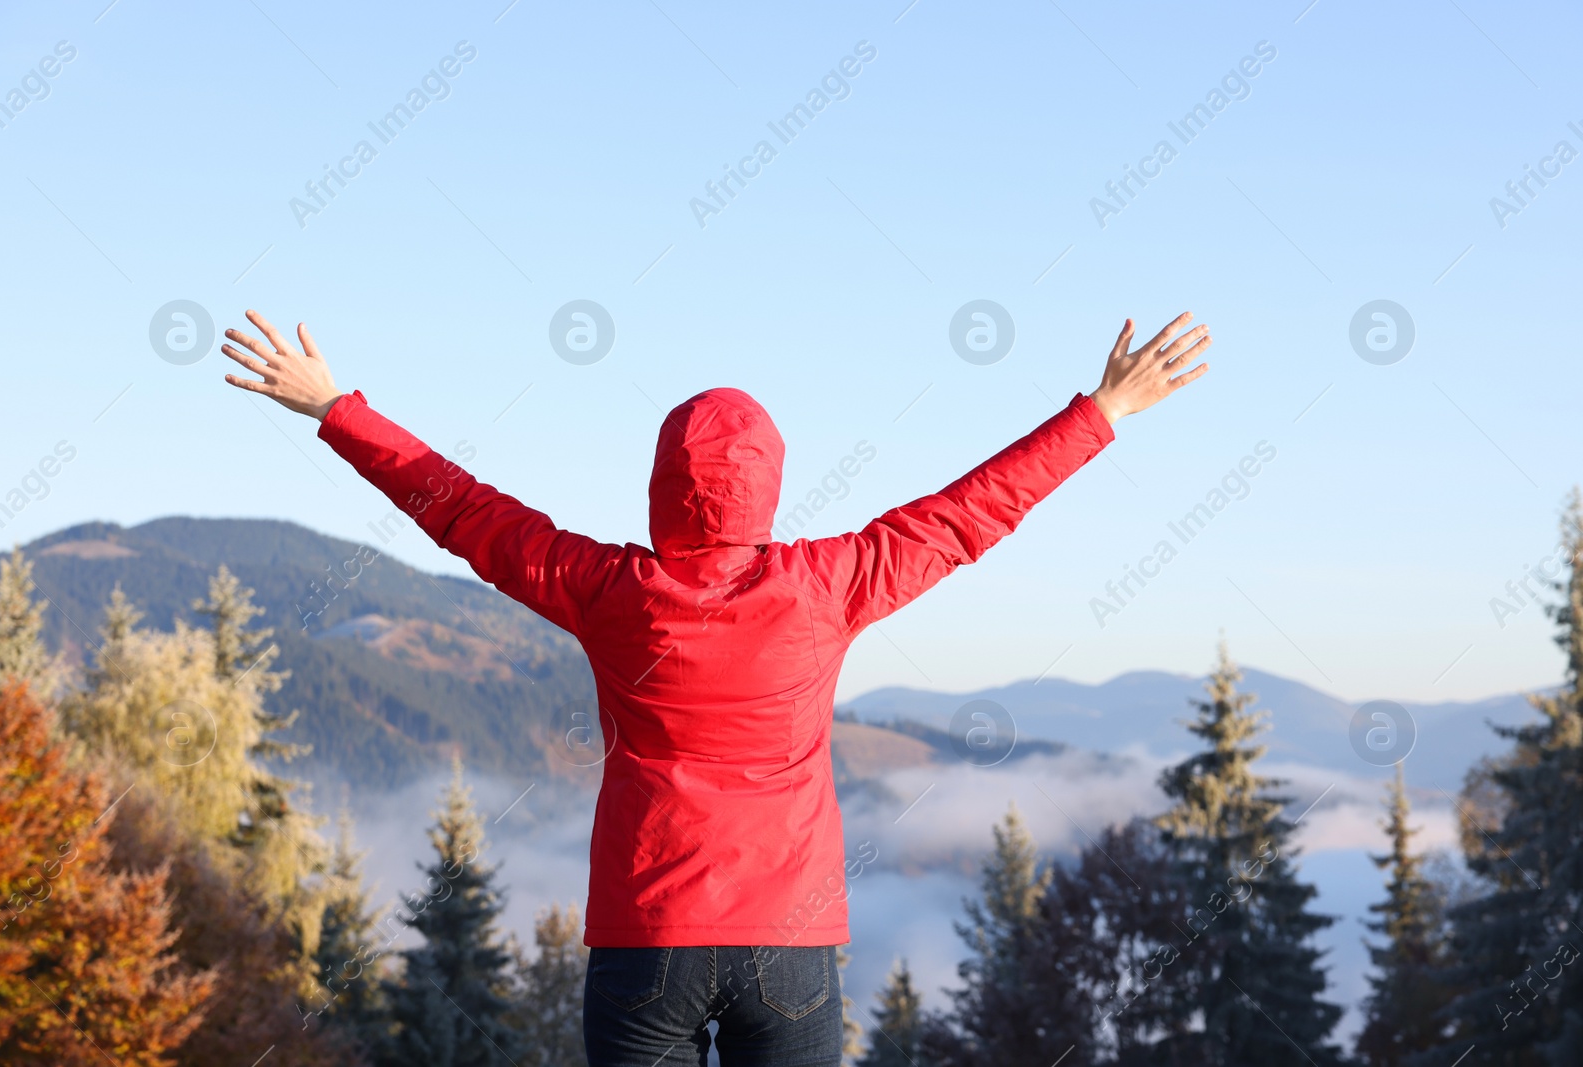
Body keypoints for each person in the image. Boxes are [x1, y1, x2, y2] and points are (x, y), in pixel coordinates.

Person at [221, 309, 1209, 1066]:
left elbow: (461, 510)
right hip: (790, 941)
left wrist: (335, 409)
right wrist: (1103, 411)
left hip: (644, 940)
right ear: (769, 486)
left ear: (659, 483)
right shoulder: (828, 584)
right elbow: (969, 515)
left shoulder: (610, 590)